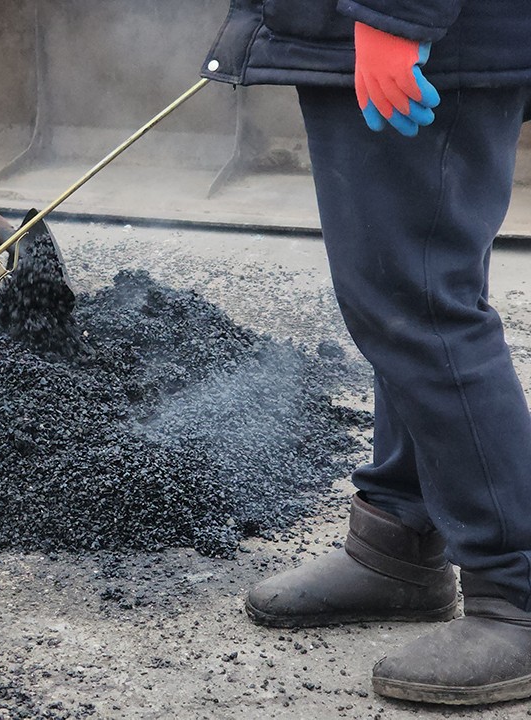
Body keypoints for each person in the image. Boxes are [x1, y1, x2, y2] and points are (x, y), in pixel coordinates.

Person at [203, 0, 531, 706]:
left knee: (421, 307)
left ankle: (517, 590)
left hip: (417, 34)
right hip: (366, 32)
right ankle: (399, 543)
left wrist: (397, 16)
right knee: (397, 293)